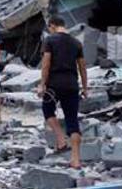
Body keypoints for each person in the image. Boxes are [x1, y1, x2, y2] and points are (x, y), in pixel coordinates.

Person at [37, 16, 89, 169]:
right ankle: (76, 160)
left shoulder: (50, 40)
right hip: (72, 85)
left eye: (49, 28)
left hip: (53, 84)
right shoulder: (76, 43)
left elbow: (46, 64)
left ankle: (60, 139)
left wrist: (42, 84)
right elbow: (82, 67)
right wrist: (85, 88)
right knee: (72, 120)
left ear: (52, 26)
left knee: (47, 111)